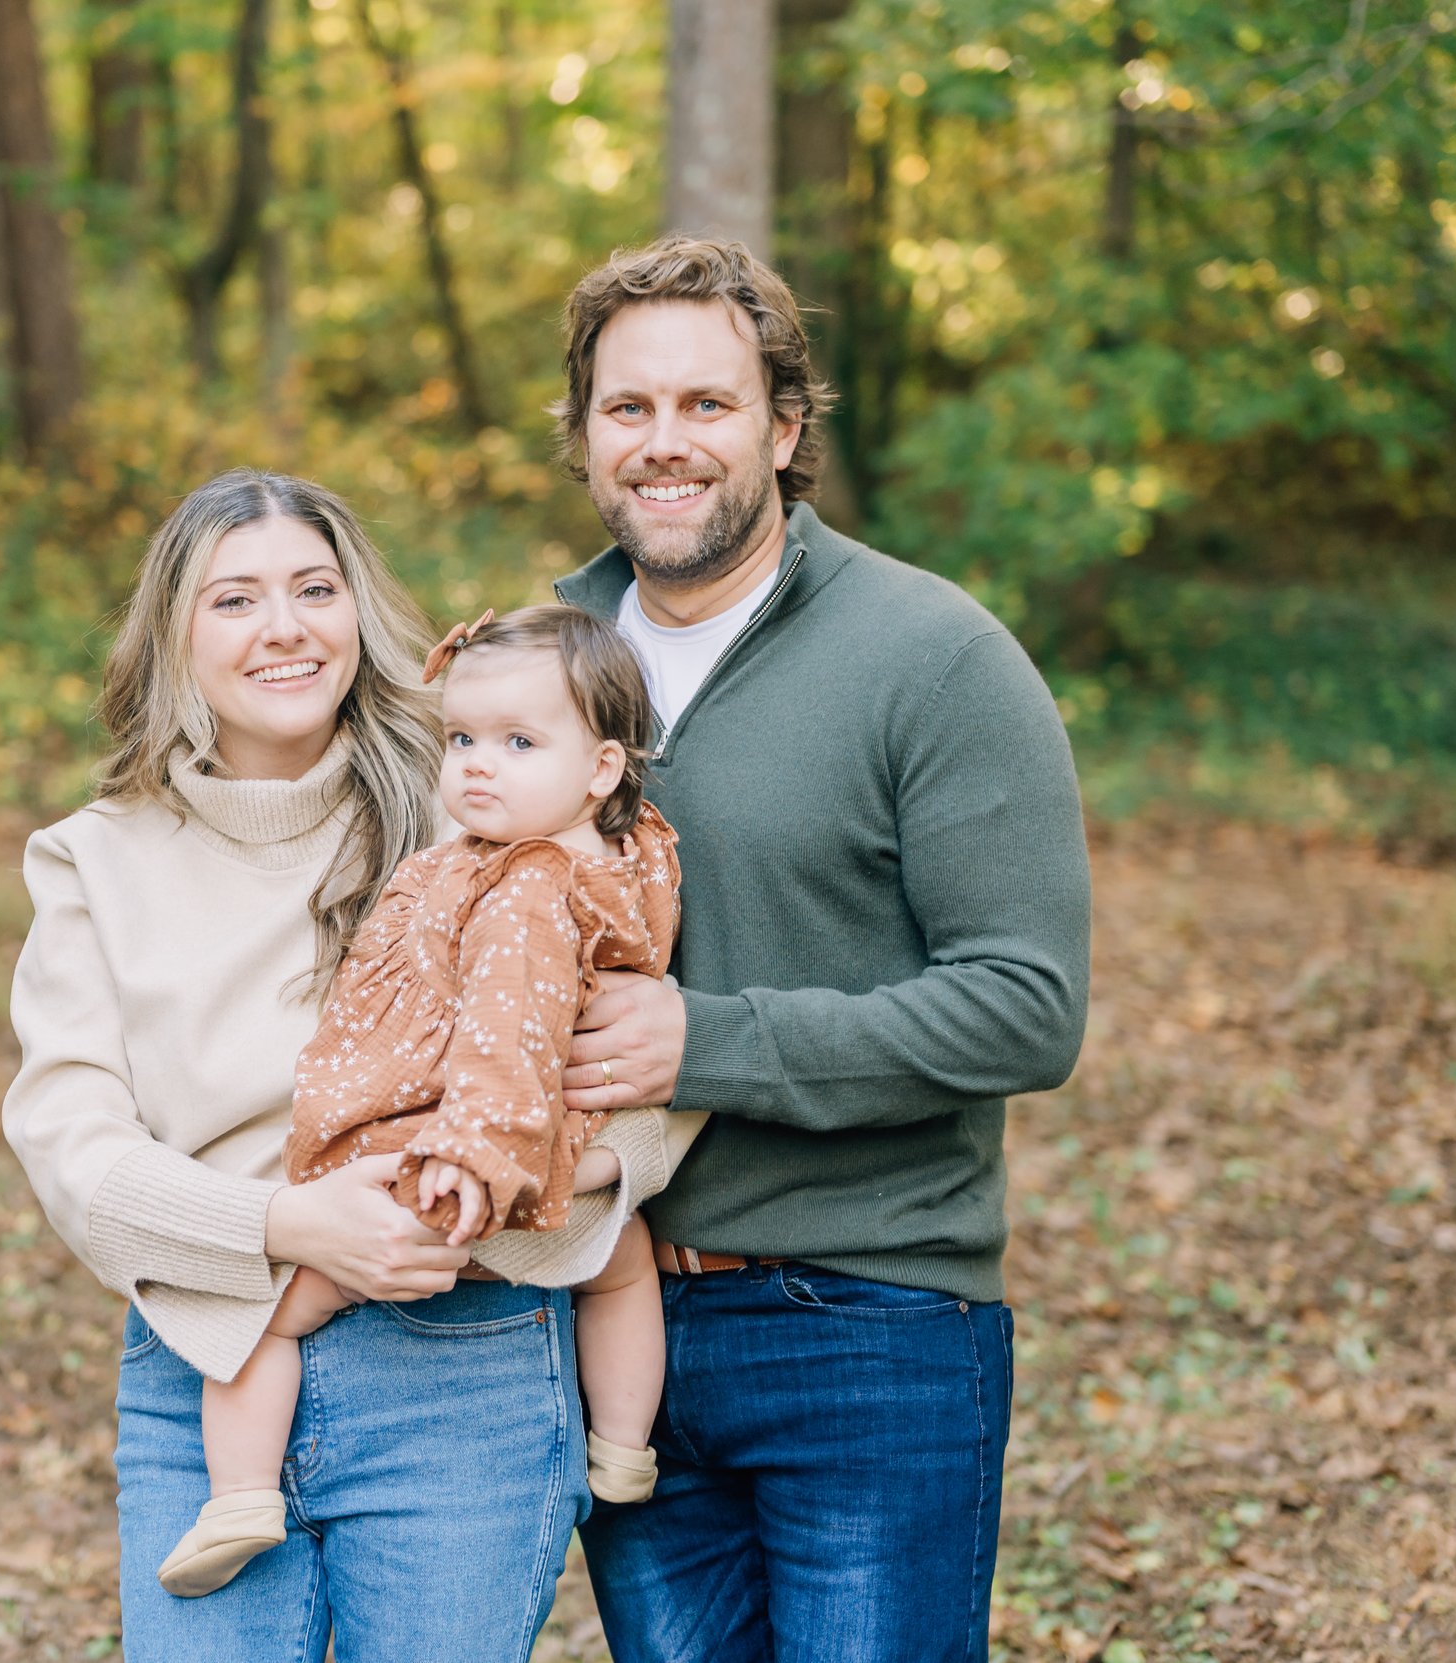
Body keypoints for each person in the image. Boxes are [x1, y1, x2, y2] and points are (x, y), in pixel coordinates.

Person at [0, 469, 685, 1662]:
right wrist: (287, 1221)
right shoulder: (92, 860)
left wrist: (486, 1196)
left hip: (459, 1363)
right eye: (235, 600)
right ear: (173, 633)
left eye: (315, 589)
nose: (285, 627)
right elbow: (72, 1146)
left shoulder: (482, 797)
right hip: (209, 1358)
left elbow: (649, 1065)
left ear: (357, 611)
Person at [552, 237, 1094, 1662]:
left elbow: (1026, 1007)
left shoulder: (933, 656)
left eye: (708, 404)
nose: (665, 443)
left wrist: (708, 1037)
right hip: (612, 1322)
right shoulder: (541, 666)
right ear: (585, 433)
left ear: (786, 428)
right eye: (629, 407)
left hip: (865, 1316)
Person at [159, 604, 681, 1598]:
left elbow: (506, 1025)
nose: (477, 766)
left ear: (602, 767)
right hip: (557, 1156)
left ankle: (236, 1495)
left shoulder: (524, 887)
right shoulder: (629, 854)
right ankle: (622, 1446)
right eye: (461, 739)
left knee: (267, 1310)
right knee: (623, 1260)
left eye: (517, 743)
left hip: (439, 1156)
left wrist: (469, 1153)